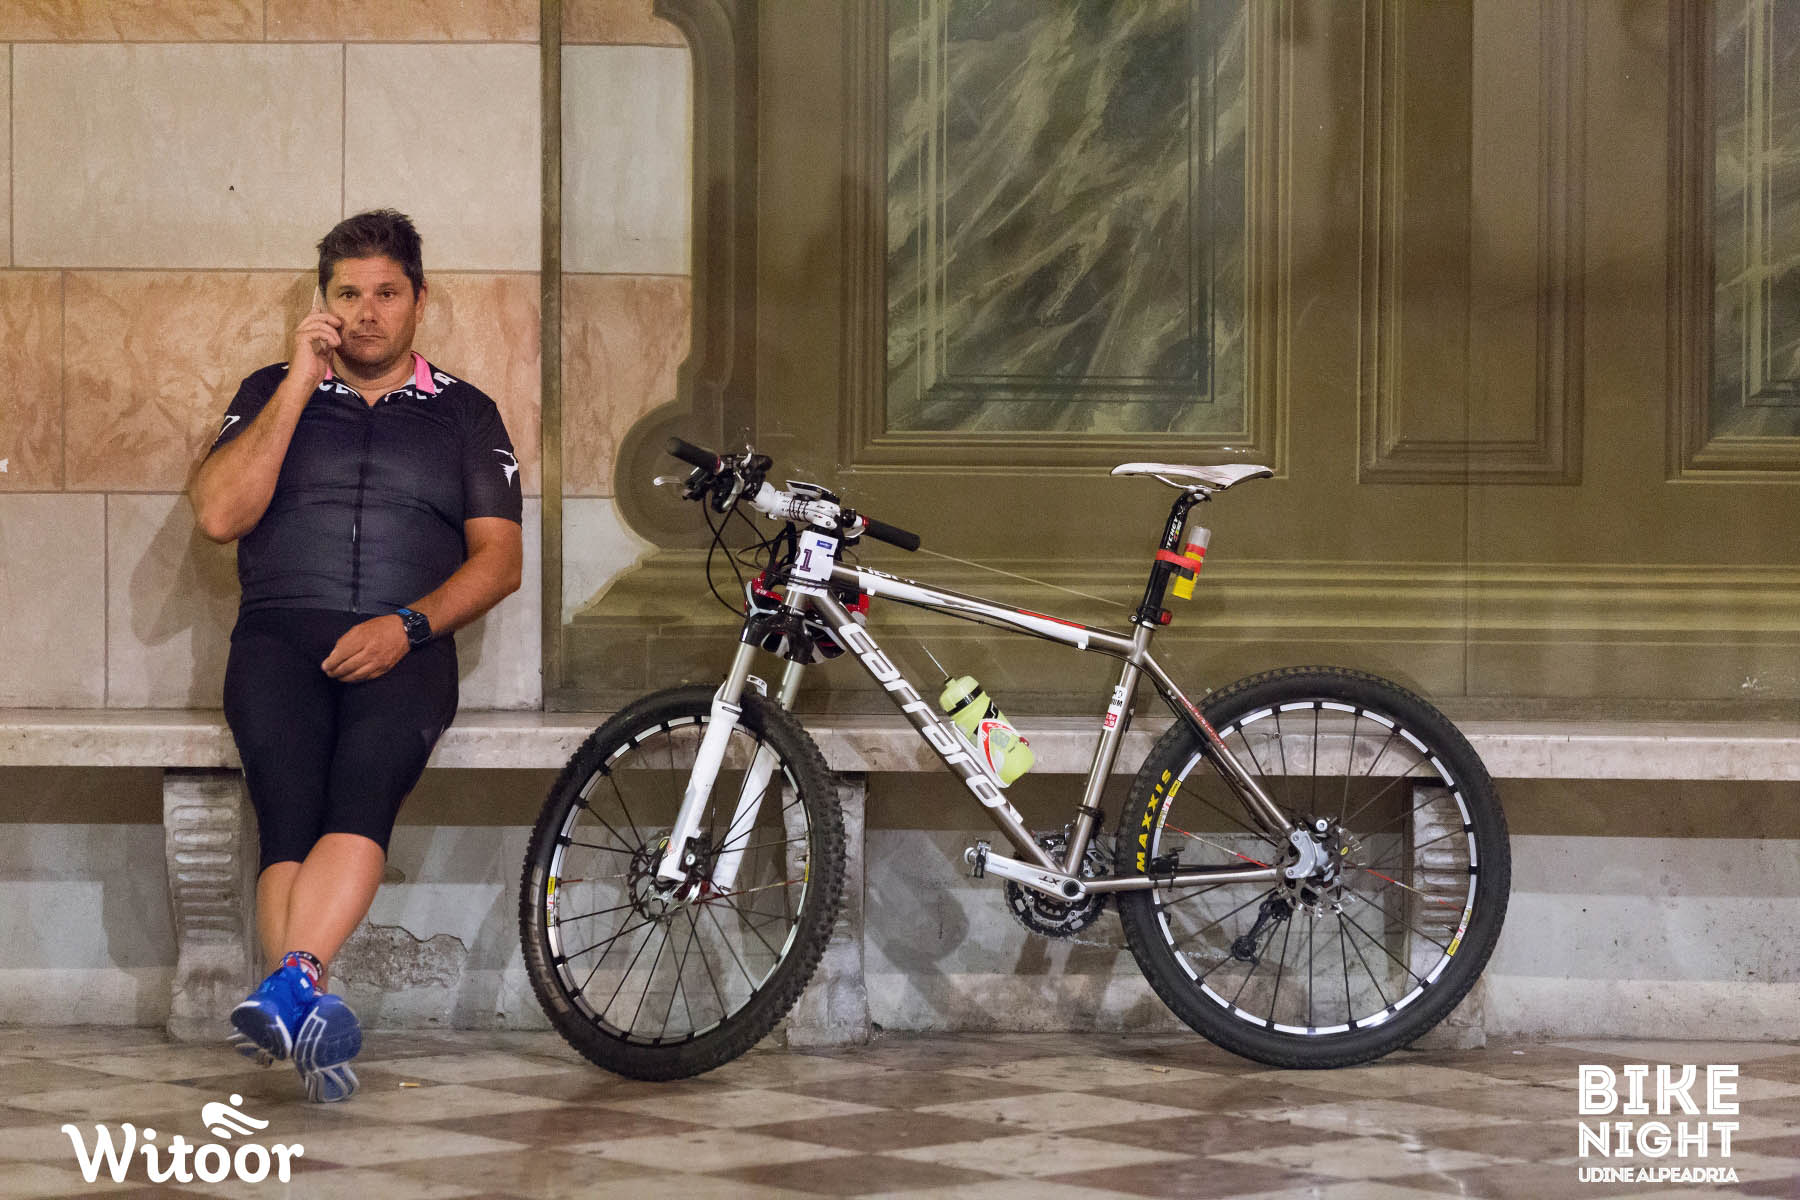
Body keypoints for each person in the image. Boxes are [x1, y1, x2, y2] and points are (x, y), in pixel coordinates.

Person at [187, 210, 523, 1102]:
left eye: (386, 293)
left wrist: (406, 626)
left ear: (419, 301)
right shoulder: (271, 389)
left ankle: (293, 986)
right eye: (348, 294)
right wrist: (301, 381)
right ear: (322, 301)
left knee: (363, 790)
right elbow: (219, 515)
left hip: (405, 642)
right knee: (287, 811)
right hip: (278, 635)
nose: (367, 312)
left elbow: (500, 561)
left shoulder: (466, 412)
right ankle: (302, 998)